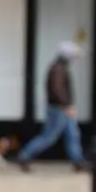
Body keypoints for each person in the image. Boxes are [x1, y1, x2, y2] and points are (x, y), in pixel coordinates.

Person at [18, 41, 88, 172]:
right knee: (49, 137)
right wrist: (66, 105)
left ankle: (78, 161)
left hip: (61, 108)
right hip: (59, 109)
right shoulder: (58, 69)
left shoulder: (58, 67)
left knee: (72, 134)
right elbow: (57, 90)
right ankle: (25, 155)